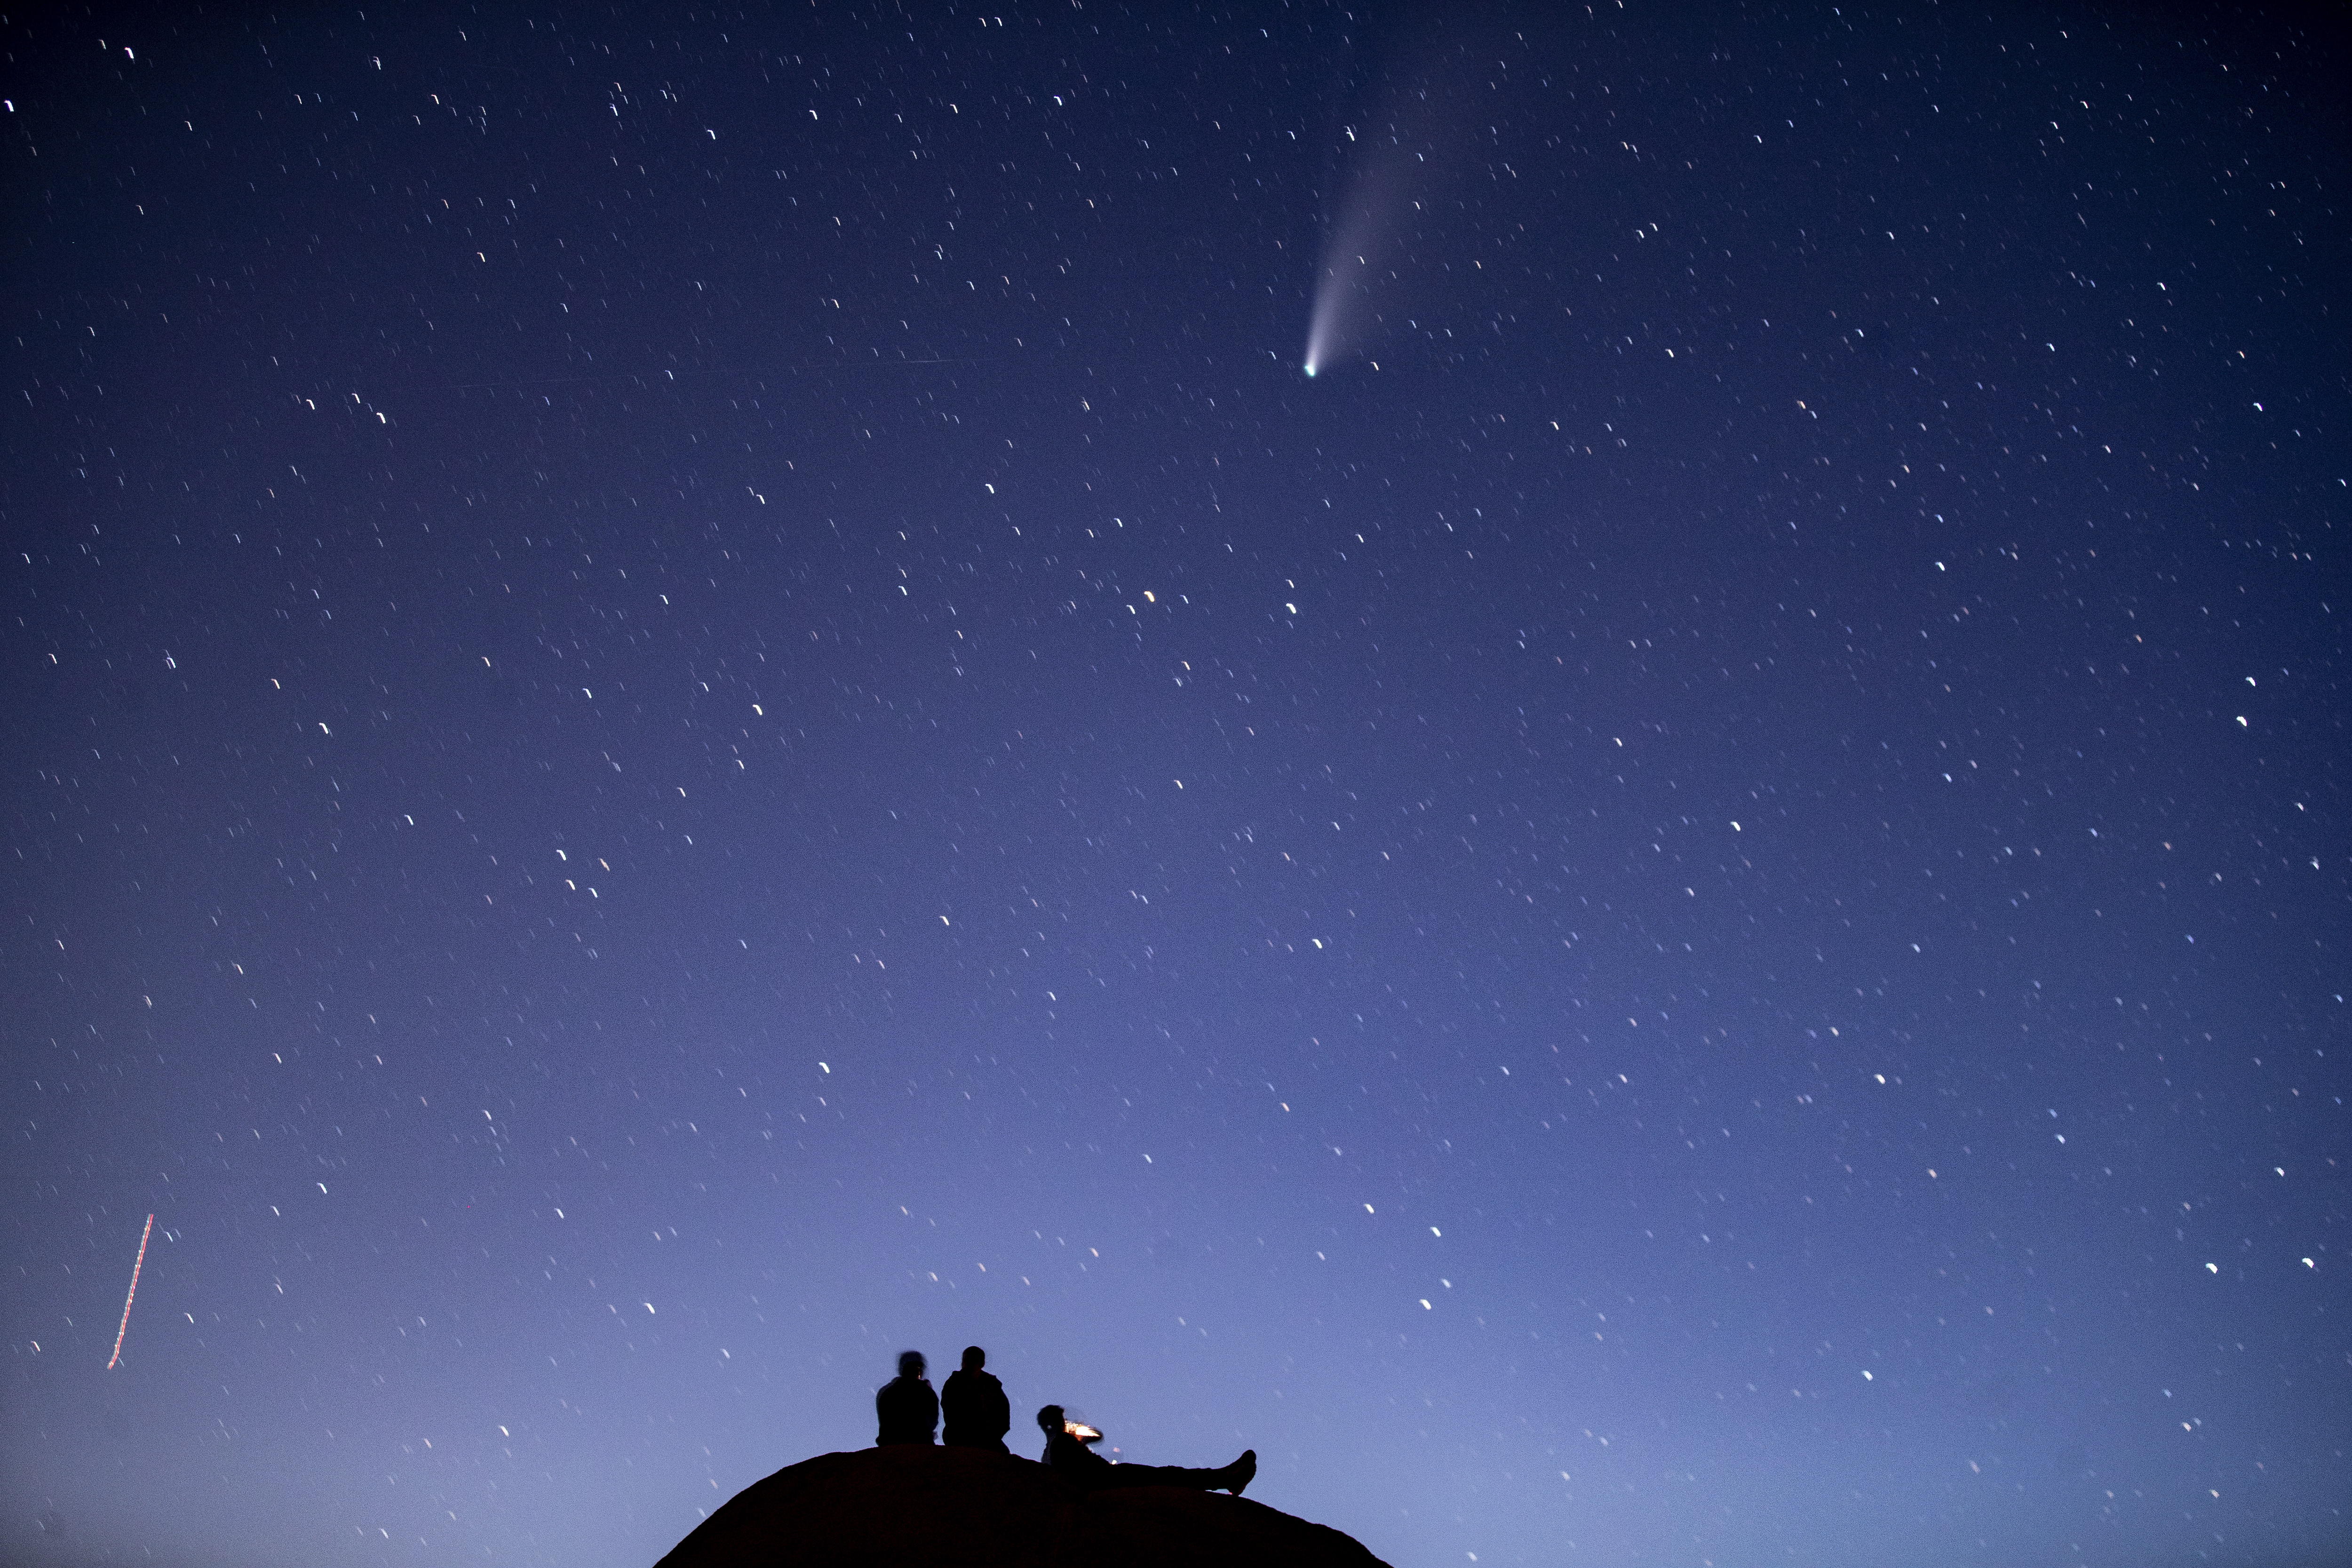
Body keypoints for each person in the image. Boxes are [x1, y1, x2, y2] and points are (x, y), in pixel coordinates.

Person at [1035, 1404, 1254, 1495]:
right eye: (1062, 1419)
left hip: (1109, 1479)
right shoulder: (1063, 1441)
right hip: (1112, 1479)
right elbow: (1094, 1446)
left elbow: (1094, 1439)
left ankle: (1225, 1477)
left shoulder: (1050, 1450)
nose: (1066, 1422)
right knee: (1170, 1475)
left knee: (1169, 1475)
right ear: (1056, 1421)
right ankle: (1226, 1478)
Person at [941, 1345, 1011, 1450]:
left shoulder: (992, 1386)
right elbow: (950, 1413)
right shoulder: (954, 1383)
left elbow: (1003, 1415)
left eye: (973, 1360)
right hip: (959, 1437)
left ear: (982, 1363)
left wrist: (992, 1435)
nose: (969, 1364)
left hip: (987, 1438)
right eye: (967, 1360)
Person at [875, 1350, 938, 1445]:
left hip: (891, 1446)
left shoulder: (887, 1392)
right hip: (921, 1445)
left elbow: (884, 1424)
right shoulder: (926, 1392)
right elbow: (933, 1420)